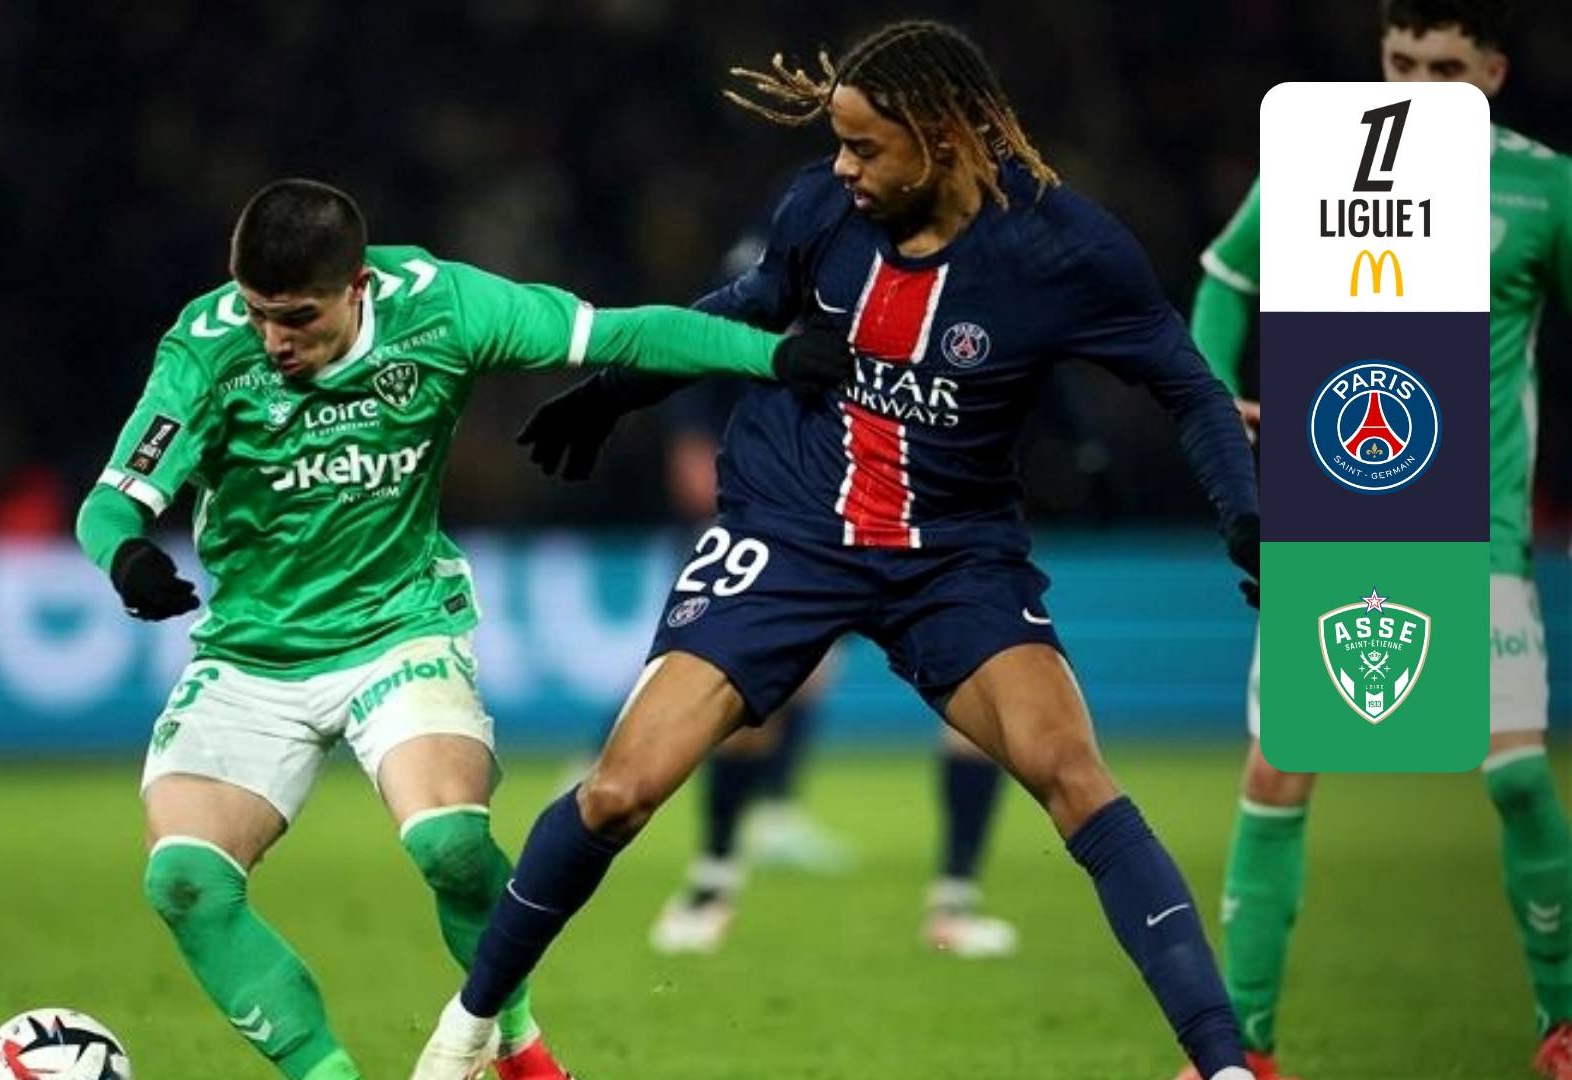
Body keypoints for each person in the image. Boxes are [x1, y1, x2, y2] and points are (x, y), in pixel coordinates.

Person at [411, 19, 1260, 1080]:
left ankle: (1225, 1065)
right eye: (840, 144)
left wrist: (1242, 515)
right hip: (787, 531)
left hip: (953, 555)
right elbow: (741, 307)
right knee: (620, 790)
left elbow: (1187, 384)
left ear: (942, 136)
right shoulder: (819, 209)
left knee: (1074, 776)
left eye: (864, 147)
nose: (843, 168)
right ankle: (468, 1033)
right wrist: (617, 392)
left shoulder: (1066, 251)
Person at [75, 177, 852, 1080]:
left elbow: (625, 332)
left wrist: (772, 356)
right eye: (257, 313)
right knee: (184, 882)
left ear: (357, 286)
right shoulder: (208, 348)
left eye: (296, 317)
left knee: (448, 844)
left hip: (400, 629)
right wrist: (127, 558)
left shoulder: (440, 307)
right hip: (252, 654)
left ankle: (515, 1044)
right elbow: (109, 505)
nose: (273, 339)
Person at [1179, 3, 1572, 1077]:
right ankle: (1243, 1051)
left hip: (1479, 522)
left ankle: (1562, 1023)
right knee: (1278, 771)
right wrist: (1213, 394)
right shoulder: (1323, 162)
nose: (1418, 87)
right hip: (1342, 510)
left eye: (1446, 68)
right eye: (1401, 62)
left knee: (1516, 778)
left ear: (1494, 72)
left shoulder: (1544, 190)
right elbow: (1227, 280)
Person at [646, 346, 1015, 960]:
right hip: (807, 520)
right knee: (758, 697)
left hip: (932, 526)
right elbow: (706, 353)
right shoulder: (793, 294)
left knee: (985, 699)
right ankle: (711, 883)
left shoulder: (963, 309)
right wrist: (695, 441)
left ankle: (955, 901)